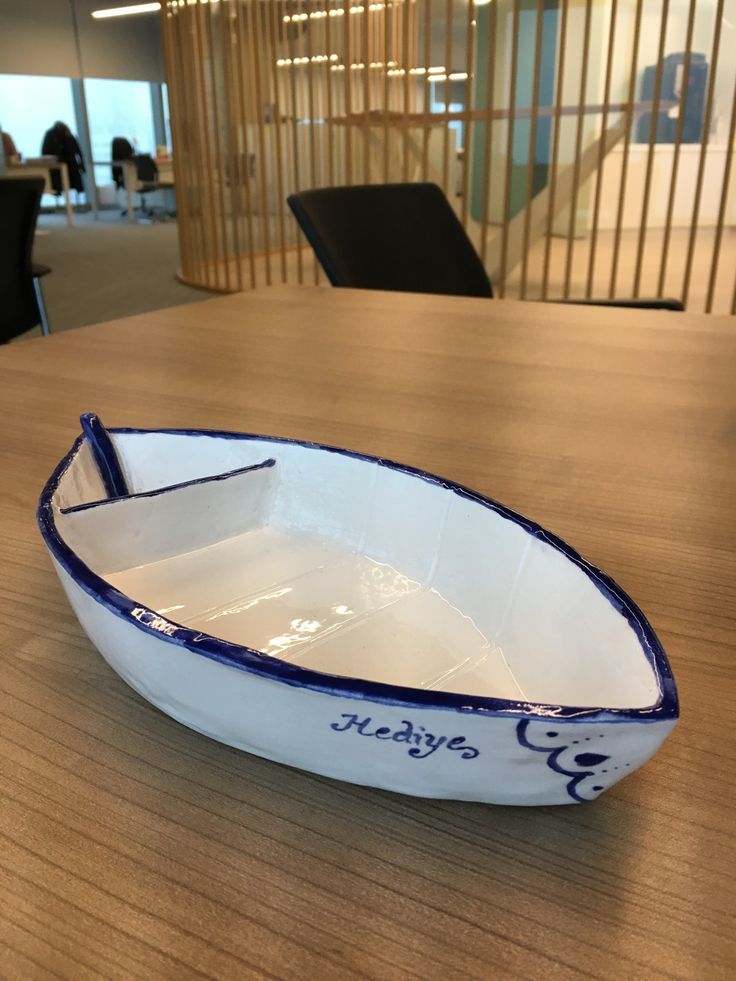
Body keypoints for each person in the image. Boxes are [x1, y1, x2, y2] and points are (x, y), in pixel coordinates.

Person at [41, 120, 85, 195]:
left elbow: (44, 152)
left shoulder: (52, 135)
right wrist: (82, 166)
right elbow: (78, 151)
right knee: (65, 184)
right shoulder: (68, 134)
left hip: (62, 165)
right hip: (67, 165)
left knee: (60, 185)